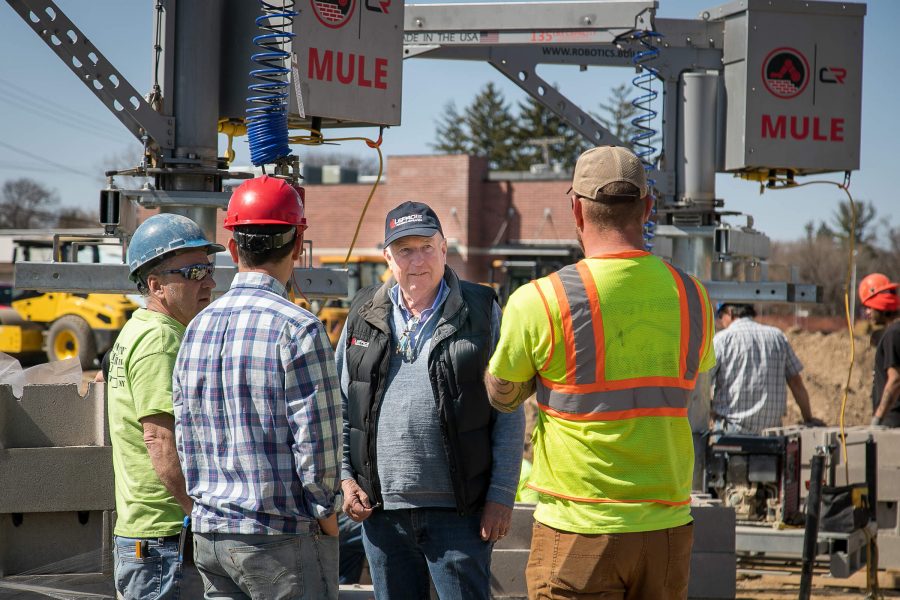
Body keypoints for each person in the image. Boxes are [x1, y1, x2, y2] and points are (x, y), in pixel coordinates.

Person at [485, 145, 715, 600]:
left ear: (575, 208)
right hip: (667, 529)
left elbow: (502, 395)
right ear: (648, 208)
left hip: (577, 531)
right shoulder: (694, 297)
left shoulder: (540, 300)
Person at [337, 201, 525, 600]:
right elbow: (342, 406)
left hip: (461, 514)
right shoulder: (362, 313)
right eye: (405, 249)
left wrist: (500, 496)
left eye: (426, 246)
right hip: (381, 512)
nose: (417, 259)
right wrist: (345, 477)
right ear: (387, 256)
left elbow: (508, 410)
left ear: (444, 249)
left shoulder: (482, 310)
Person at [173, 176, 342, 600]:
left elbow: (184, 434)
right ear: (298, 245)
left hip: (211, 534)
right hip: (279, 537)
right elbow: (317, 444)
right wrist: (327, 513)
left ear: (233, 248)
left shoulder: (196, 327)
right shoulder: (299, 328)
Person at [107, 213, 224, 600]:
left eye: (208, 268)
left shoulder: (139, 328)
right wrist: (202, 513)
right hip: (164, 535)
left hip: (149, 535)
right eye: (193, 272)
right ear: (155, 285)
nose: (209, 281)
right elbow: (159, 440)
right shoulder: (161, 340)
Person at [711, 303, 824, 434]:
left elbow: (703, 383)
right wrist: (808, 419)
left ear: (730, 313)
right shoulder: (777, 337)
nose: (720, 321)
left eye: (720, 316)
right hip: (770, 434)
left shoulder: (722, 339)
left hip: (730, 432)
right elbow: (796, 383)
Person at [859, 273, 900, 426]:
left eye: (869, 307)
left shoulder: (893, 334)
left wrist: (878, 418)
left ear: (880, 305)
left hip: (893, 422)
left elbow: (895, 379)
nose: (867, 313)